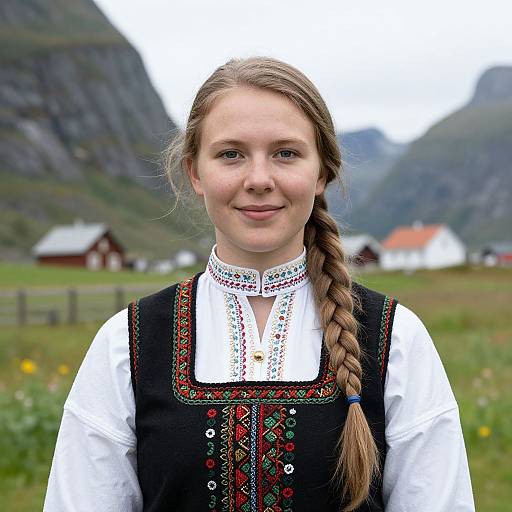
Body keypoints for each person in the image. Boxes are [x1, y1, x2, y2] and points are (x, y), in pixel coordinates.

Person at [44, 56, 475, 511]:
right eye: (231, 154)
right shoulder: (127, 344)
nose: (259, 180)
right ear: (196, 173)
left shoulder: (395, 340)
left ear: (322, 172)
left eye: (286, 153)